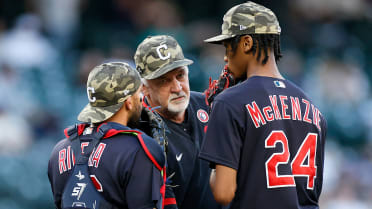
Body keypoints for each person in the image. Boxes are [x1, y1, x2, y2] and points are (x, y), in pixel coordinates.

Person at [199, 1, 328, 209]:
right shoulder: (312, 106)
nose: (225, 57)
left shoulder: (230, 102)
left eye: (228, 46)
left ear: (247, 43)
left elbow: (223, 193)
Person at [48, 62, 166, 209]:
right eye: (138, 94)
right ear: (128, 101)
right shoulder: (139, 149)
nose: (141, 99)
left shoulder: (59, 150)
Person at [134, 35, 221, 209]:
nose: (177, 88)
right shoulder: (140, 133)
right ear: (144, 88)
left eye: (180, 75)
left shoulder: (209, 104)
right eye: (164, 80)